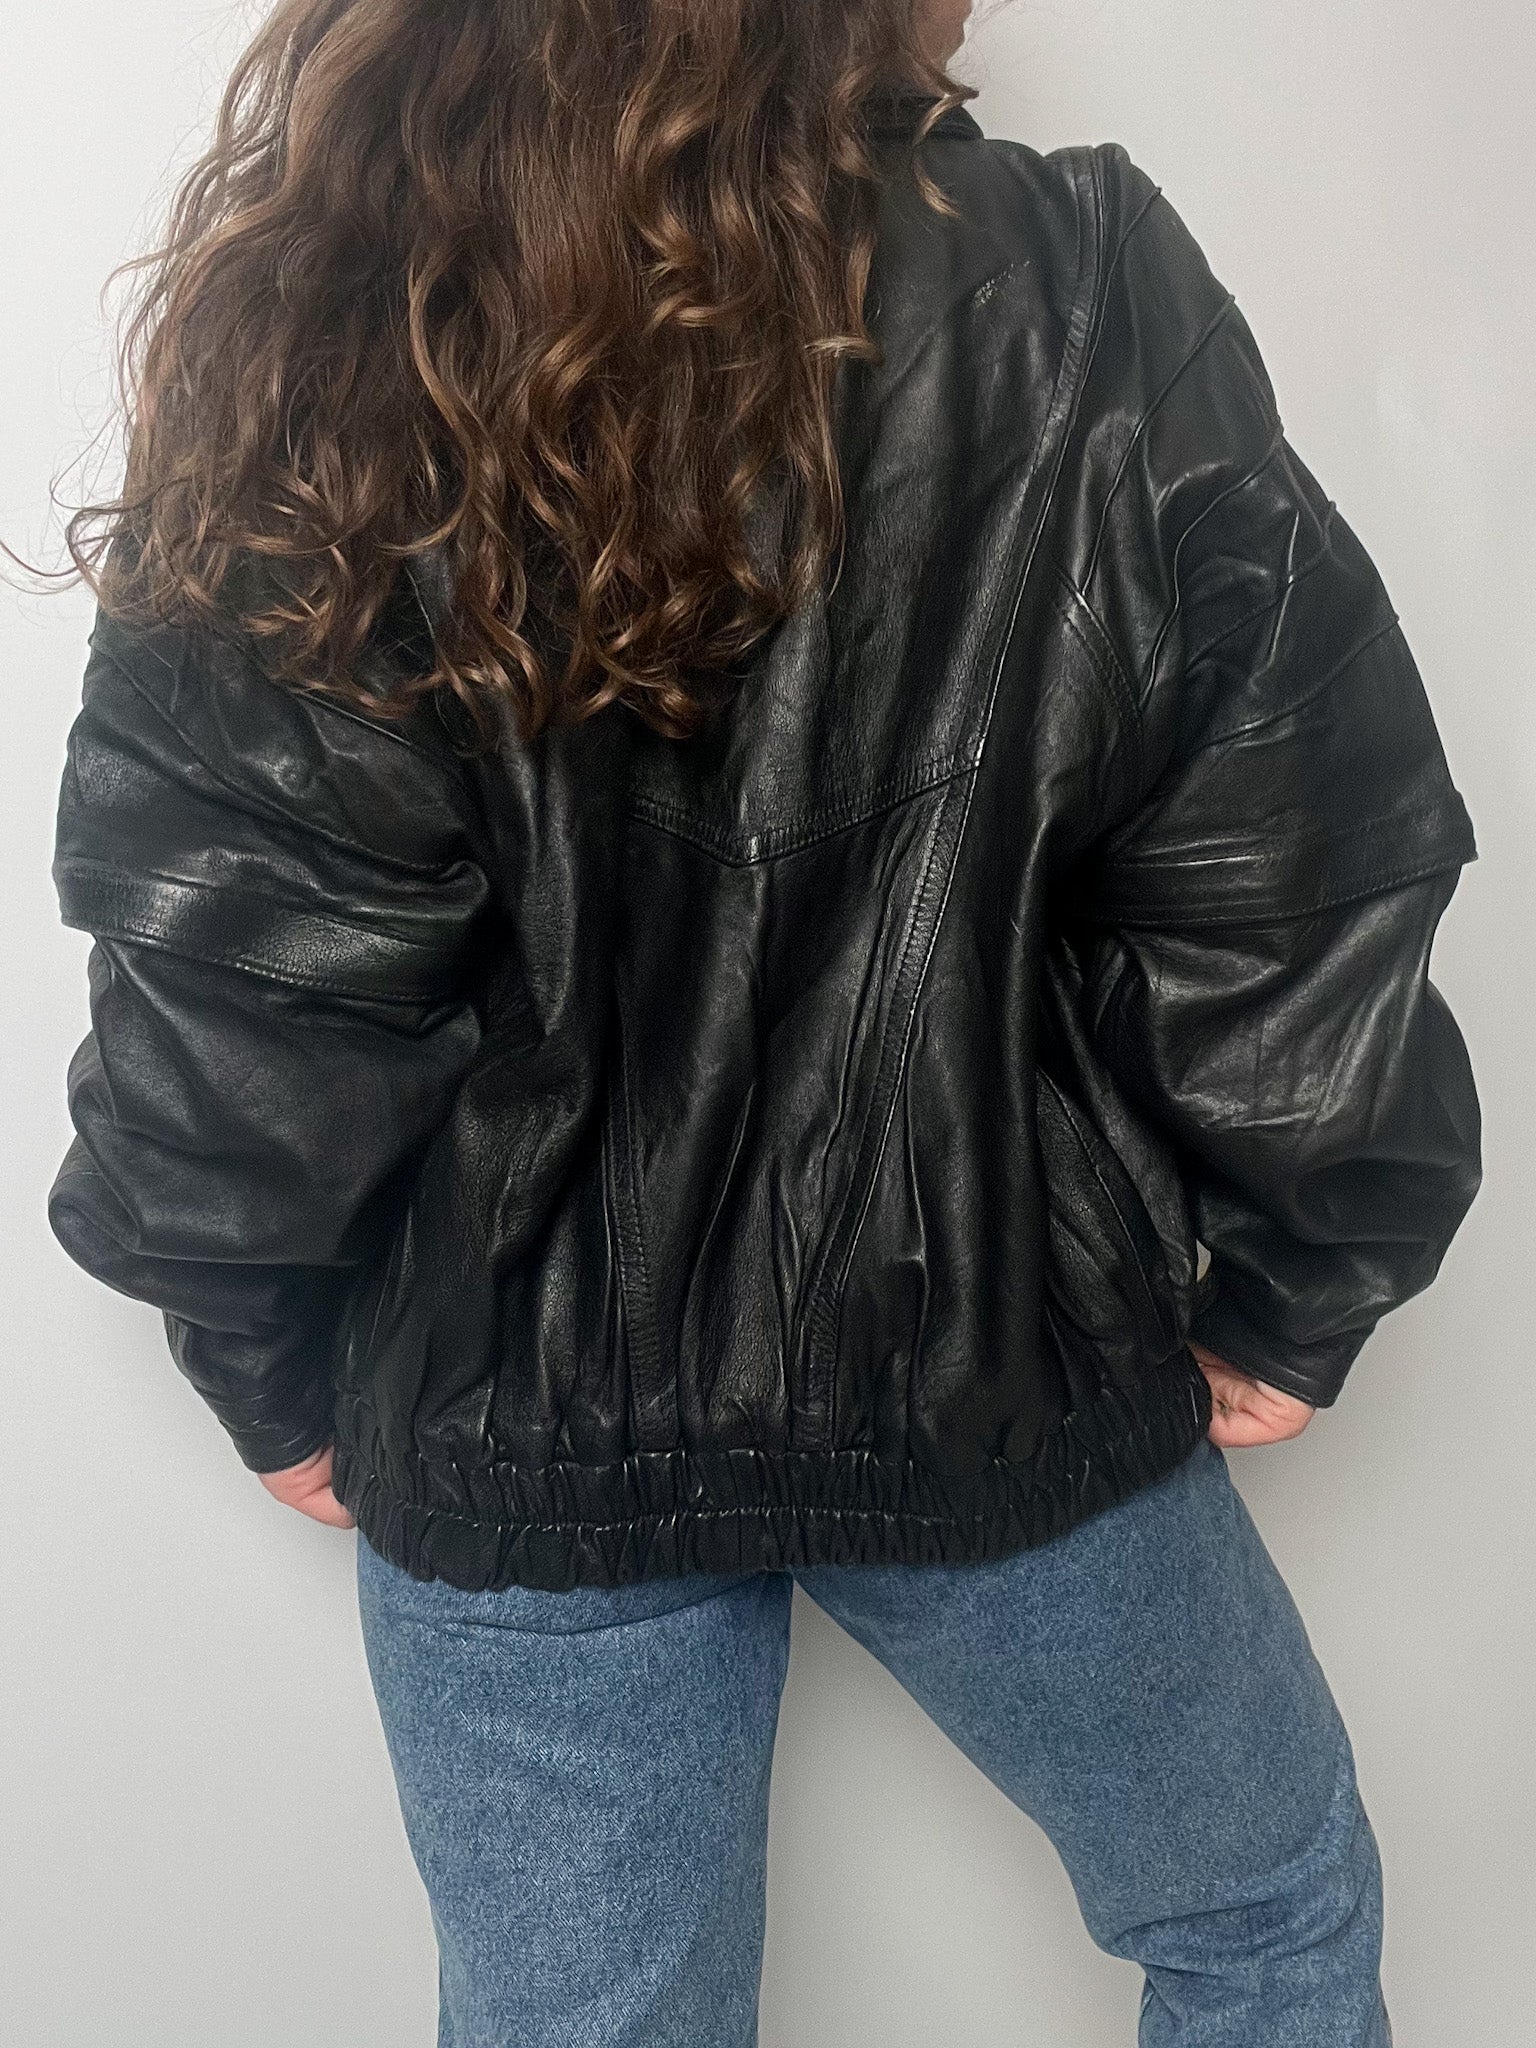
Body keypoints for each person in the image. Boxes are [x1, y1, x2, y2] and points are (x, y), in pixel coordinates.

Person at [46, 1, 1481, 2042]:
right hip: (990, 1352)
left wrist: (254, 1340)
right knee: (1264, 1916)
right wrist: (1309, 1267)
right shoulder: (1072, 285)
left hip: (513, 1410)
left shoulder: (332, 314)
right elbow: (1279, 843)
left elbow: (252, 952)